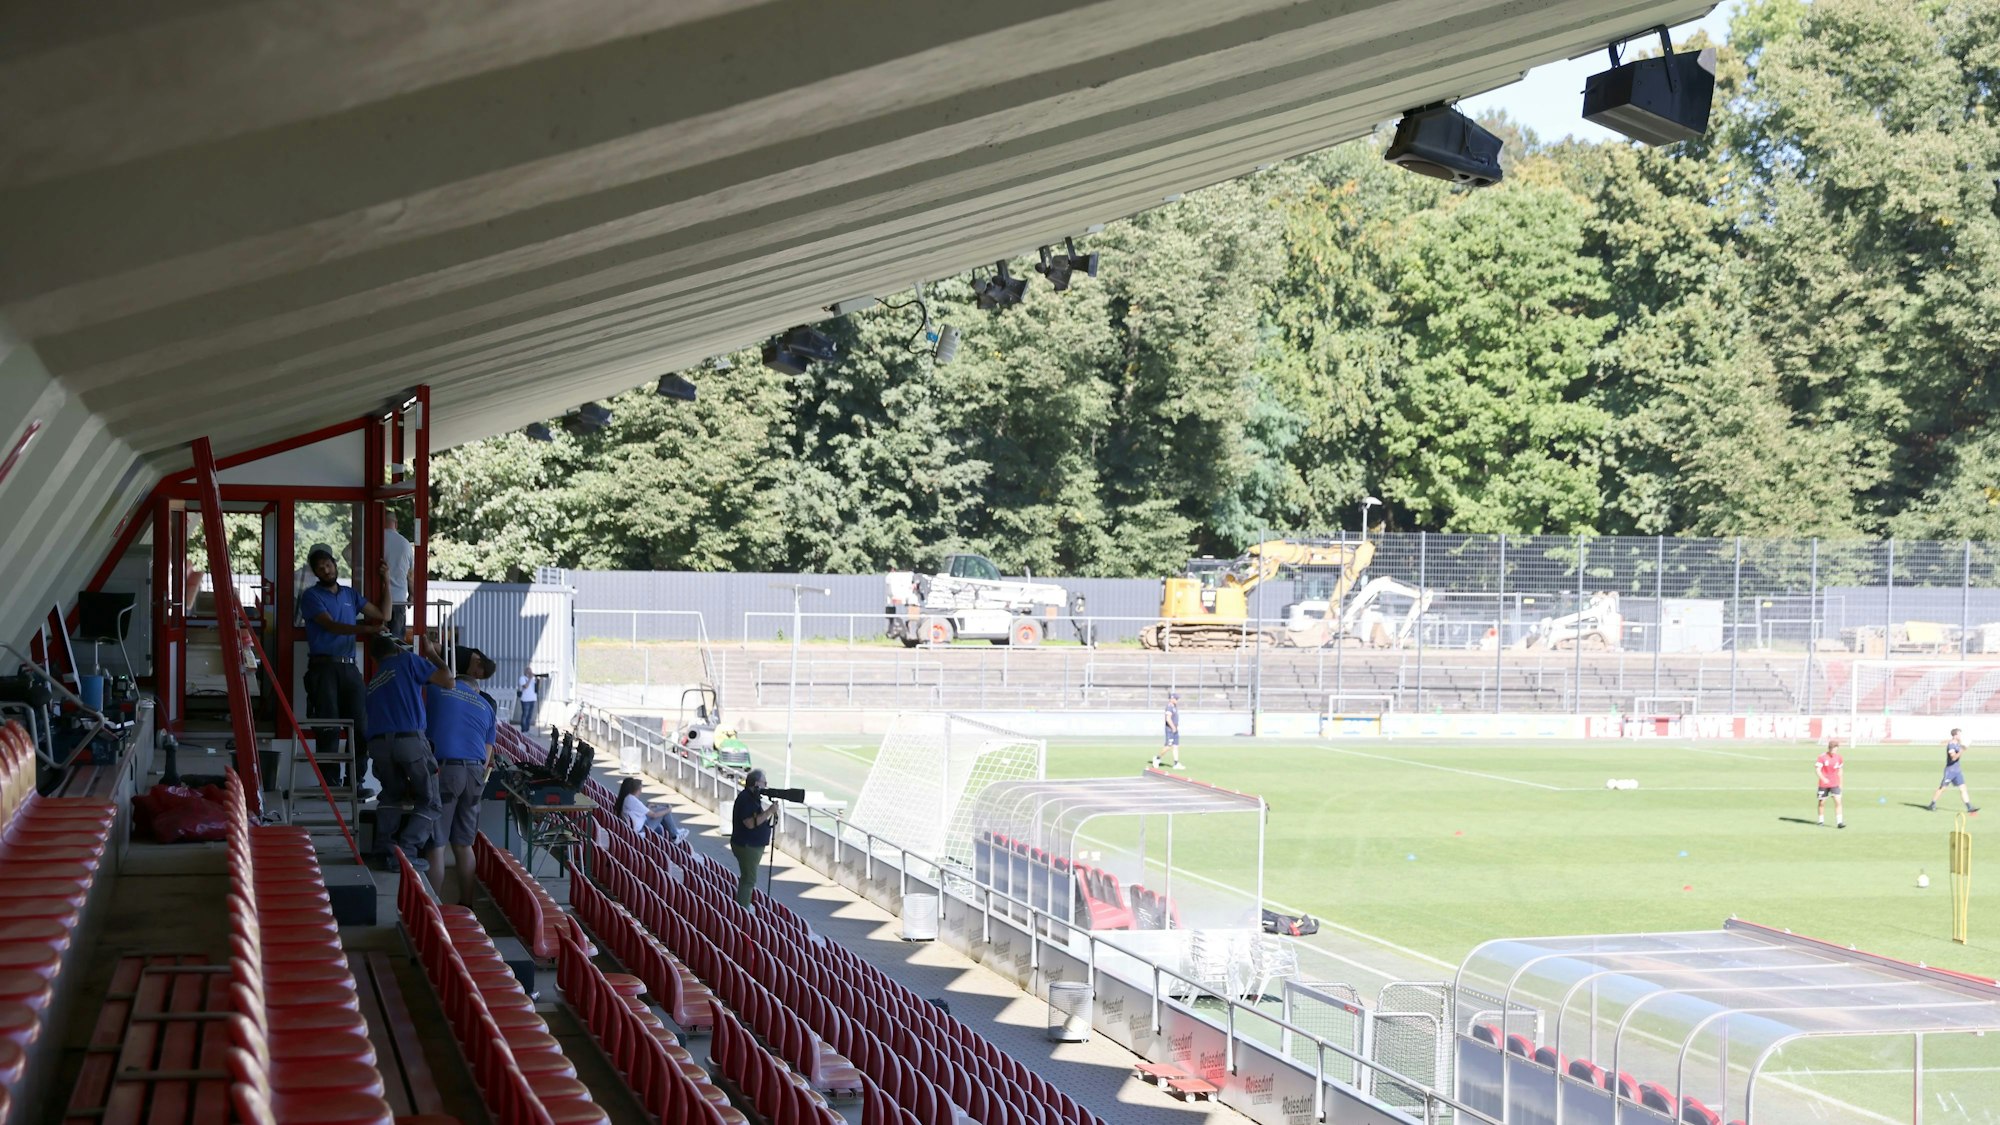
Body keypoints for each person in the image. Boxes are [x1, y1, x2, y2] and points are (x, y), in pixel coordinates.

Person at [299, 542, 387, 795]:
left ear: (335, 564)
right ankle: (330, 784)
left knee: (361, 726)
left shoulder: (350, 594)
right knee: (329, 727)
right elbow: (331, 625)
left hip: (349, 666)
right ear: (316, 573)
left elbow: (384, 614)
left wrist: (387, 581)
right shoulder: (311, 596)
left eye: (328, 565)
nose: (326, 570)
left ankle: (354, 782)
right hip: (323, 667)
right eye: (320, 568)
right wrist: (367, 629)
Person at [366, 632, 454, 871]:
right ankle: (406, 853)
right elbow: (448, 681)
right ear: (396, 650)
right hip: (409, 740)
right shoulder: (406, 660)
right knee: (431, 801)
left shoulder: (373, 683)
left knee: (391, 796)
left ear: (374, 659)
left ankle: (383, 850)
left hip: (378, 745)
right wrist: (432, 654)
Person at [426, 647, 496, 904]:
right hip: (475, 773)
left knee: (437, 845)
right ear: (475, 689)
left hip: (448, 770)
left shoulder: (439, 691)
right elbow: (487, 756)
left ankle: (433, 907)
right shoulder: (487, 707)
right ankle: (467, 905)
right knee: (464, 845)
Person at [730, 768, 776, 909]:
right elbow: (749, 823)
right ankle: (743, 910)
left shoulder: (750, 797)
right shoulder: (746, 799)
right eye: (764, 782)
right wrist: (769, 812)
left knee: (747, 878)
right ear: (756, 783)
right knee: (749, 880)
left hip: (749, 845)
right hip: (747, 846)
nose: (766, 785)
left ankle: (742, 907)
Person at [1930, 728, 1980, 813]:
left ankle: (1969, 807)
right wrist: (1962, 749)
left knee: (1963, 788)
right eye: (1959, 734)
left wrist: (1964, 747)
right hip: (1950, 771)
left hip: (1957, 771)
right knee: (1942, 788)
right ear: (1955, 735)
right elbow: (1953, 758)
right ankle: (1932, 804)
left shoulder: (1958, 743)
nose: (1960, 736)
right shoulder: (1951, 745)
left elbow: (1962, 748)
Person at [617, 775, 682, 840]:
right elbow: (654, 815)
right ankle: (675, 836)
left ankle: (674, 831)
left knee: (661, 810)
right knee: (664, 812)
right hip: (642, 829)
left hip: (637, 826)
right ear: (639, 789)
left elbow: (637, 811)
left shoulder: (628, 798)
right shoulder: (634, 801)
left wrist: (648, 807)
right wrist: (668, 810)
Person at [382, 512, 415, 636]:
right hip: (398, 600)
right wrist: (412, 595)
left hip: (376, 600)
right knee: (396, 641)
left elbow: (347, 553)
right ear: (395, 523)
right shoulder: (405, 544)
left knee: (377, 640)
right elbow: (410, 575)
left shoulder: (373, 539)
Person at [1814, 738, 1845, 828]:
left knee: (1838, 801)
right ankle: (1821, 821)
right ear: (1829, 748)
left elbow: (1840, 771)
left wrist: (1841, 783)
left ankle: (1839, 822)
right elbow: (1817, 770)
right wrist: (1823, 778)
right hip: (1824, 784)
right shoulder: (1822, 757)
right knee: (1822, 802)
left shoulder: (1839, 758)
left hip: (1835, 783)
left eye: (1835, 749)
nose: (1834, 751)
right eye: (1832, 749)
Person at [1151, 691, 1183, 770]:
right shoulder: (1169, 707)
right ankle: (1157, 758)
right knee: (1168, 746)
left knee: (1175, 746)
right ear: (1172, 699)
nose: (1177, 700)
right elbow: (1168, 719)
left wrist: (1176, 727)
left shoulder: (1174, 706)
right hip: (1170, 729)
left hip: (1175, 729)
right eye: (1176, 698)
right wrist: (1173, 727)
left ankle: (1176, 763)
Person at [516, 663, 539, 731]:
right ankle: (523, 729)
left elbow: (537, 688)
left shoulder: (533, 679)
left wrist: (539, 681)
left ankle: (527, 729)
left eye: (530, 671)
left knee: (529, 715)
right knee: (525, 715)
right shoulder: (522, 678)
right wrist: (530, 679)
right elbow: (525, 686)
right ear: (525, 672)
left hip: (532, 699)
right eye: (528, 671)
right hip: (525, 699)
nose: (530, 672)